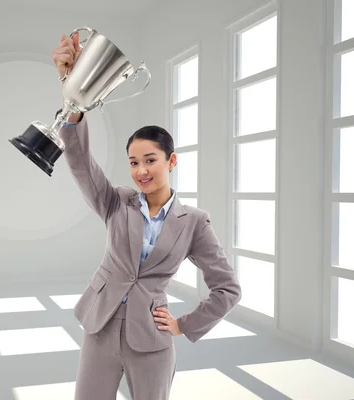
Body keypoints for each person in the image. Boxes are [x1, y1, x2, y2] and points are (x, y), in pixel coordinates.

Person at [52, 33, 242, 400]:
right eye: (134, 162)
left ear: (171, 161)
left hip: (152, 339)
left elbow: (228, 289)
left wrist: (183, 325)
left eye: (150, 160)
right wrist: (72, 96)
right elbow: (79, 162)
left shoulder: (195, 221)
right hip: (99, 328)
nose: (141, 170)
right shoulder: (115, 202)